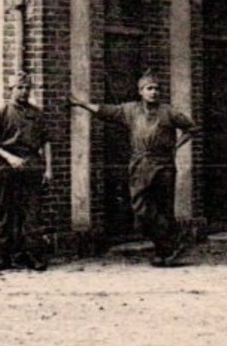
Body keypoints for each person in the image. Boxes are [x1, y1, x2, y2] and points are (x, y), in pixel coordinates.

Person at [71, 71, 196, 267]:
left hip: (163, 165)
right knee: (140, 207)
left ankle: (163, 252)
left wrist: (176, 145)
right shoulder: (130, 110)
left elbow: (191, 128)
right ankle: (172, 242)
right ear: (141, 92)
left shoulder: (169, 112)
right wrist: (81, 104)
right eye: (149, 89)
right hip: (139, 164)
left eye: (156, 89)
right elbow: (106, 111)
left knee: (163, 208)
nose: (153, 92)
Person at [0, 70, 53, 271]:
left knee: (32, 214)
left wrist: (48, 169)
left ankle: (34, 257)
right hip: (7, 168)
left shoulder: (37, 114)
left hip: (32, 166)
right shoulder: (1, 114)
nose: (23, 92)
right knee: (7, 214)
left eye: (26, 88)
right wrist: (9, 157)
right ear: (11, 89)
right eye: (19, 88)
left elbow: (46, 141)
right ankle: (4, 257)